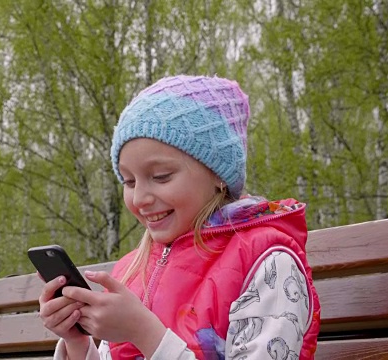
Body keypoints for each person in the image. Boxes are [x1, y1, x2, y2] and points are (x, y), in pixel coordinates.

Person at [38, 75, 321, 359]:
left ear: (219, 175)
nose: (139, 199)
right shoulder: (132, 270)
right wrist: (77, 343)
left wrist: (142, 330)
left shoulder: (268, 263)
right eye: (129, 181)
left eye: (160, 177)